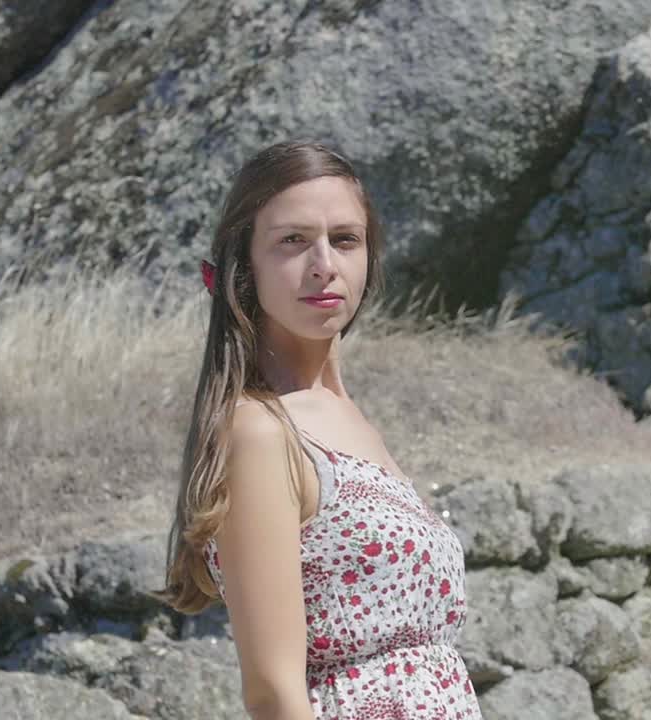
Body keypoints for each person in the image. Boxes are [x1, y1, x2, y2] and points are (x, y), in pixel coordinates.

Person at [149, 141, 481, 719]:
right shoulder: (260, 431)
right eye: (292, 241)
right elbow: (273, 691)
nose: (324, 264)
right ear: (243, 267)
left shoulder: (348, 417)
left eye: (345, 240)